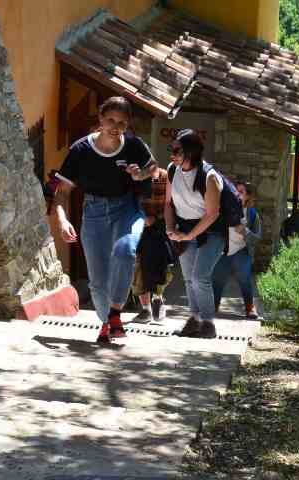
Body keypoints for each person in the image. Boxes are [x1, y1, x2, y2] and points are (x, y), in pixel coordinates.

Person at [54, 96, 155, 343]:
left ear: (127, 125)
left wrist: (140, 174)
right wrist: (63, 220)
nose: (115, 126)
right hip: (94, 212)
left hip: (127, 208)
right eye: (110, 120)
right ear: (100, 118)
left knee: (125, 251)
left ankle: (116, 314)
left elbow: (153, 167)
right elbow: (62, 193)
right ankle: (106, 322)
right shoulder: (81, 150)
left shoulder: (133, 145)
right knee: (97, 283)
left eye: (121, 122)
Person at [164, 129, 225, 338]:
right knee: (189, 278)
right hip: (185, 230)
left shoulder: (209, 177)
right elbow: (168, 203)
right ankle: (195, 320)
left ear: (189, 152)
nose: (172, 154)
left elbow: (212, 214)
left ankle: (208, 324)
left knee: (200, 277)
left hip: (211, 232)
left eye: (176, 150)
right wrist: (170, 228)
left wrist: (189, 236)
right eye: (171, 149)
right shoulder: (173, 170)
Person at [212, 180, 262, 319]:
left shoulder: (252, 214)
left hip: (242, 251)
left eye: (241, 192)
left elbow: (257, 238)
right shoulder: (224, 209)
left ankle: (250, 308)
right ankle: (213, 306)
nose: (237, 195)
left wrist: (244, 231)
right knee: (217, 279)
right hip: (224, 250)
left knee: (244, 279)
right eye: (235, 191)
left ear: (248, 196)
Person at [131, 166, 175, 323]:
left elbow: (171, 203)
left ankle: (158, 299)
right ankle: (145, 310)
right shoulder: (131, 178)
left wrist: (156, 219)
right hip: (136, 226)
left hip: (159, 228)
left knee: (161, 265)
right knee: (137, 266)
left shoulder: (164, 177)